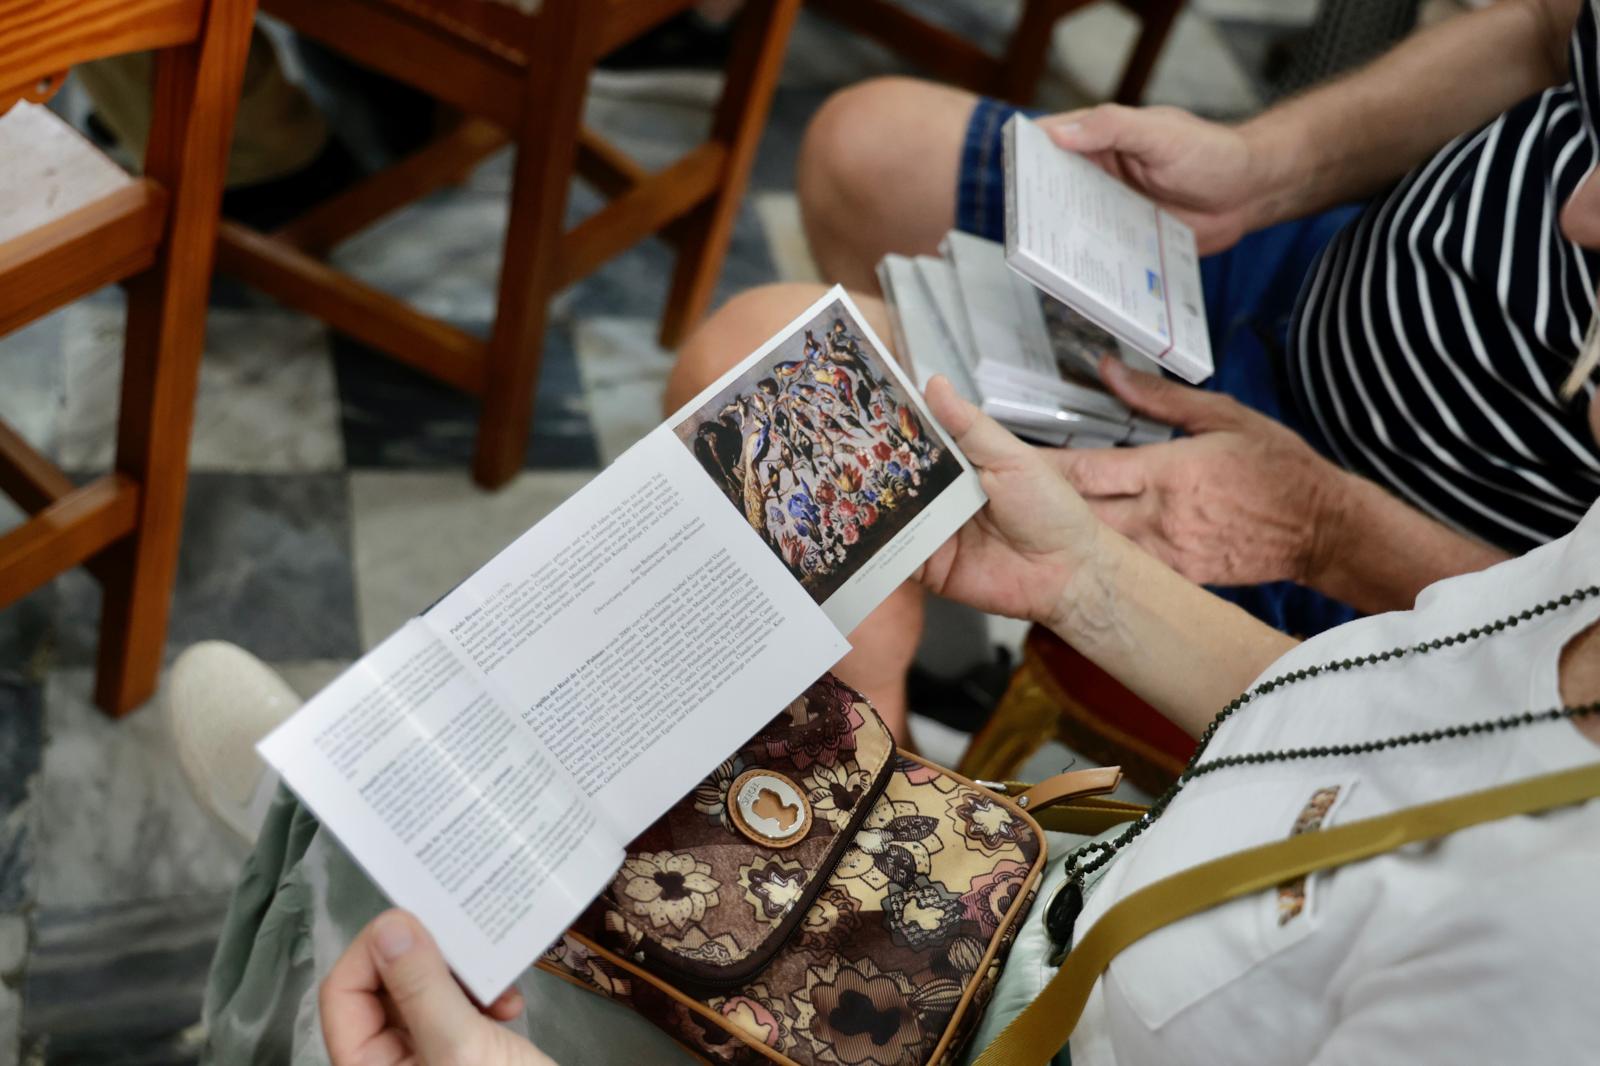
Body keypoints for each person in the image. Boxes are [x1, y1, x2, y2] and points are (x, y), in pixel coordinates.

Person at [304, 376, 1600, 1066]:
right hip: (1034, 899)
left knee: (385, 880)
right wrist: (1083, 580)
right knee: (488, 794)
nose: (1582, 209)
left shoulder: (1560, 964)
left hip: (1014, 1005)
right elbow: (1380, 735)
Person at [675, 0, 1600, 737]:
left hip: (1390, 559)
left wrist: (1324, 528)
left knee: (759, 383)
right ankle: (947, 662)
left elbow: (1573, 659)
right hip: (1310, 267)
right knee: (871, 146)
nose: (1575, 212)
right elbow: (1541, 25)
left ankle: (894, 816)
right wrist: (1265, 168)